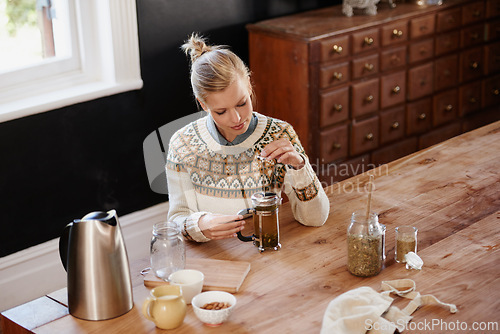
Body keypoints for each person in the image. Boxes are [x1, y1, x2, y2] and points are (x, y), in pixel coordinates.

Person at [166, 33, 330, 242]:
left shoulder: (279, 133)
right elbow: (176, 220)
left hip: (268, 251)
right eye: (221, 111)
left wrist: (299, 167)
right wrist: (199, 225)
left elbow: (316, 218)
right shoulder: (182, 144)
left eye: (242, 103)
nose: (236, 118)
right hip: (215, 258)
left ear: (250, 85)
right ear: (203, 104)